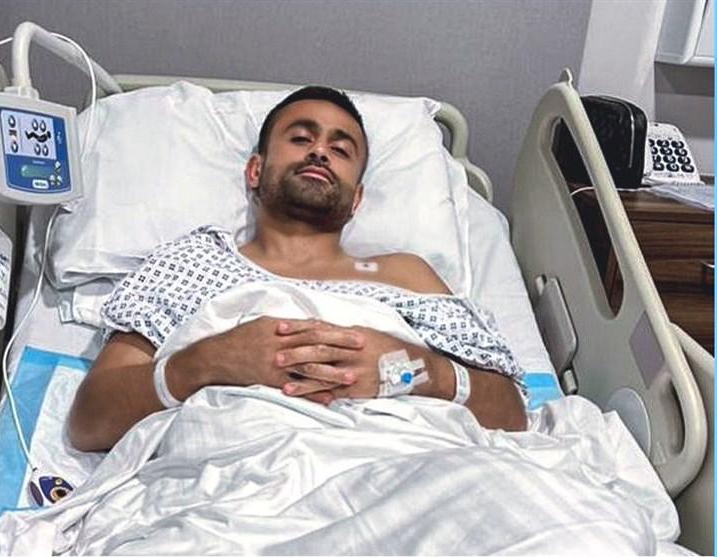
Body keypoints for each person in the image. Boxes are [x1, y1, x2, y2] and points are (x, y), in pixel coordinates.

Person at [68, 86, 526, 452]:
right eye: (301, 139)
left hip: (402, 462)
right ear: (255, 171)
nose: (320, 152)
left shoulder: (405, 275)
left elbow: (511, 415)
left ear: (357, 199)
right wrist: (209, 361)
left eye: (340, 149)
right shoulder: (193, 262)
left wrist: (409, 370)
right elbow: (89, 420)